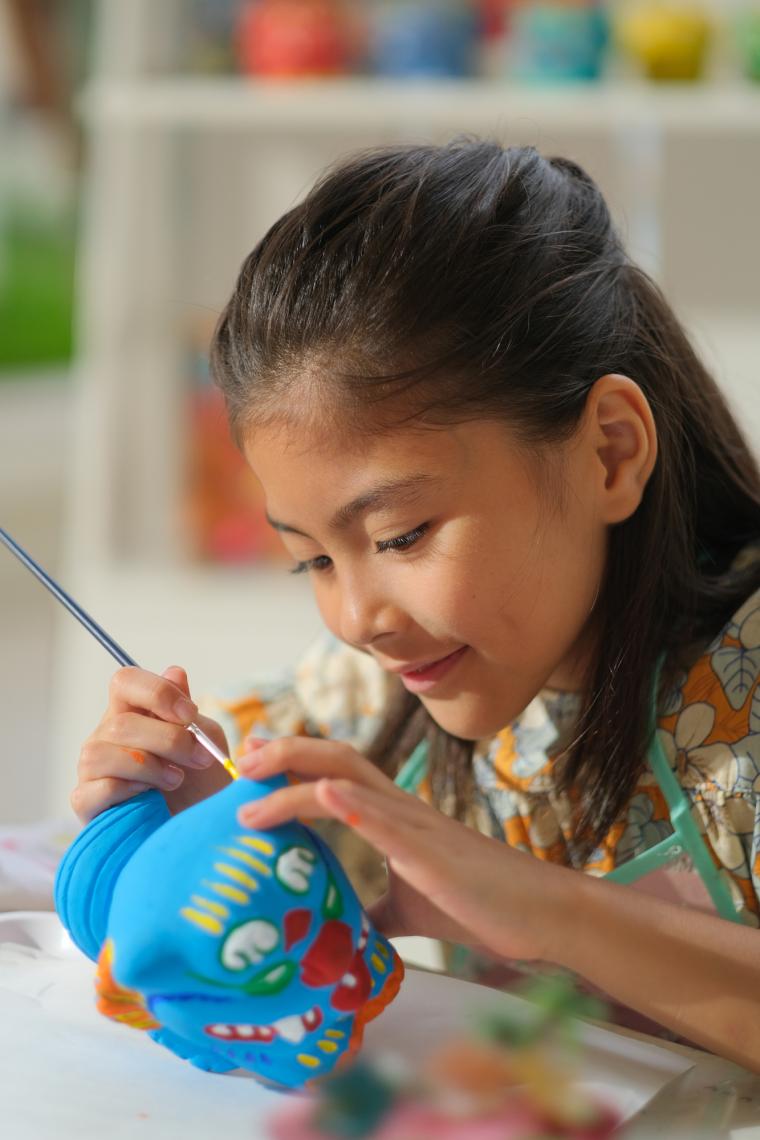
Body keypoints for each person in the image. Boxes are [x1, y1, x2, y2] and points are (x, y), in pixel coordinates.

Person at [70, 141, 760, 1071]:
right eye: (309, 559)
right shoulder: (367, 700)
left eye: (400, 535)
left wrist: (537, 907)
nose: (358, 617)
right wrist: (185, 814)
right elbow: (216, 822)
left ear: (609, 452)